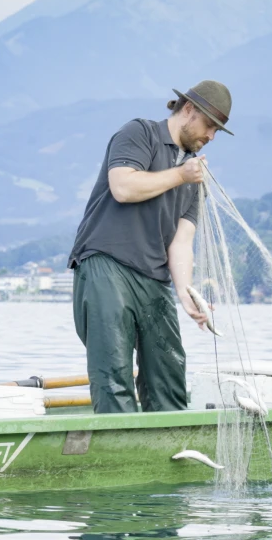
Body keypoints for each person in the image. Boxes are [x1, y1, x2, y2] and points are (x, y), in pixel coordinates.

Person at [68, 80, 234, 414]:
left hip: (154, 278)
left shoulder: (192, 174)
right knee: (113, 374)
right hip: (106, 264)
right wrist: (180, 175)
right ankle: (119, 451)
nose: (211, 137)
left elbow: (181, 242)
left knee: (169, 371)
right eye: (209, 126)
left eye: (218, 131)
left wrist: (187, 295)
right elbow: (123, 187)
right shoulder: (140, 133)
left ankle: (169, 447)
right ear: (188, 110)